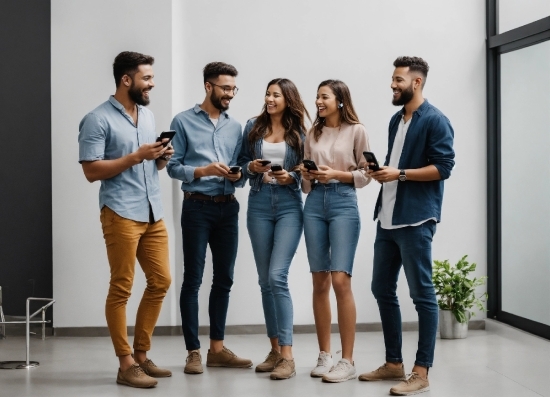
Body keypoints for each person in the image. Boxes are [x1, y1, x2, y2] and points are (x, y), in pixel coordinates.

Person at [360, 56, 455, 396]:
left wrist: (398, 174)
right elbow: (397, 165)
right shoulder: (395, 120)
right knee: (381, 288)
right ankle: (393, 363)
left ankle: (421, 371)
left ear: (416, 82)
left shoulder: (436, 121)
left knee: (422, 296)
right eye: (393, 79)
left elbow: (443, 167)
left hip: (416, 219)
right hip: (387, 217)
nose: (392, 84)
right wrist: (381, 172)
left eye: (398, 80)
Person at [78, 51, 173, 388]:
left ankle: (142, 355)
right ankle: (125, 363)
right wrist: (135, 156)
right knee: (122, 287)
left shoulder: (146, 116)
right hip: (120, 211)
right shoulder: (97, 119)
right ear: (126, 80)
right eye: (147, 78)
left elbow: (149, 165)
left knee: (161, 281)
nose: (152, 83)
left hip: (153, 212)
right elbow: (91, 170)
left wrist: (159, 158)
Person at [167, 62, 252, 375]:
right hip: (197, 208)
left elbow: (242, 167)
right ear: (208, 86)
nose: (230, 94)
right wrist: (202, 171)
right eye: (225, 88)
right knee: (193, 279)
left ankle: (217, 348)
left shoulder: (235, 126)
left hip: (228, 208)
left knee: (224, 278)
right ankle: (193, 351)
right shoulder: (183, 121)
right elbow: (172, 166)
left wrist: (239, 173)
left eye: (233, 89)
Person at [300, 80, 372, 383]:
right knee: (320, 281)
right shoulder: (312, 133)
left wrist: (338, 175)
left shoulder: (357, 130)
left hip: (344, 202)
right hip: (315, 202)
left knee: (341, 280)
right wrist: (306, 175)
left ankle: (347, 360)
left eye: (324, 96)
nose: (318, 101)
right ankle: (324, 355)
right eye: (317, 96)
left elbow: (366, 173)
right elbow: (305, 186)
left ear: (340, 101)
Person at [238, 78, 310, 380]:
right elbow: (241, 163)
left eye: (276, 95)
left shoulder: (300, 133)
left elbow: (306, 170)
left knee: (277, 276)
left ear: (287, 99)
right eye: (267, 93)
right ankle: (275, 349)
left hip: (289, 205)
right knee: (265, 281)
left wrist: (290, 178)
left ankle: (288, 355)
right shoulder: (253, 125)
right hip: (258, 203)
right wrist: (250, 169)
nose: (269, 99)